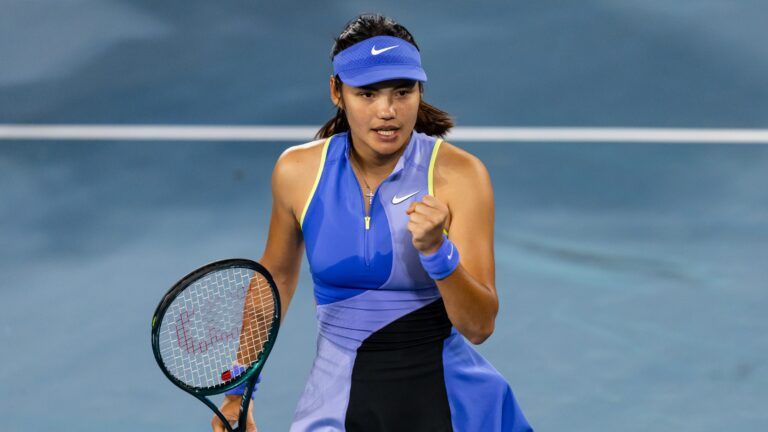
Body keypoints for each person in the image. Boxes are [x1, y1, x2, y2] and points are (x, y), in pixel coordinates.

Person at [213, 13, 533, 432]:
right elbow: (274, 279)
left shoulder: (460, 176)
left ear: (420, 90)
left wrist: (439, 253)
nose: (388, 111)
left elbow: (479, 326)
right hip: (336, 405)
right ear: (337, 92)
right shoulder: (297, 172)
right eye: (367, 94)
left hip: (451, 405)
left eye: (403, 91)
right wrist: (240, 388)